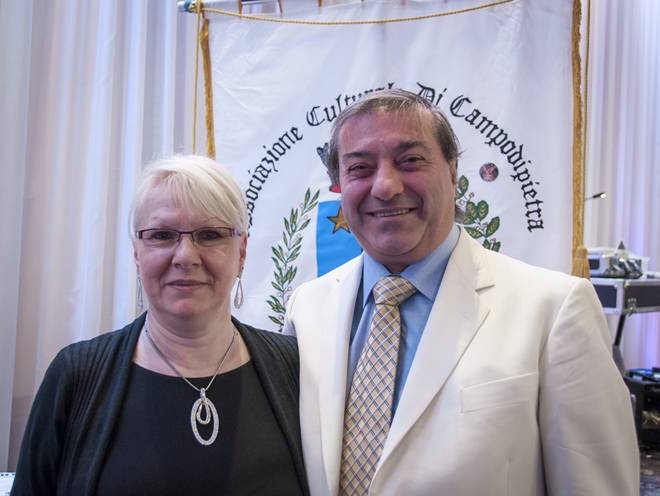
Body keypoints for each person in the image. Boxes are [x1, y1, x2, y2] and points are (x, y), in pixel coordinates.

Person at [284, 89, 639, 495]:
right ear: (339, 186)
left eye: (410, 160)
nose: (385, 185)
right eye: (360, 168)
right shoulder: (307, 309)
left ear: (453, 171)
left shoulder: (554, 310)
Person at [12, 155, 309, 495]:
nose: (185, 256)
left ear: (241, 251)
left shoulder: (295, 367)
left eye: (210, 234)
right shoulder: (75, 376)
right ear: (136, 253)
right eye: (162, 235)